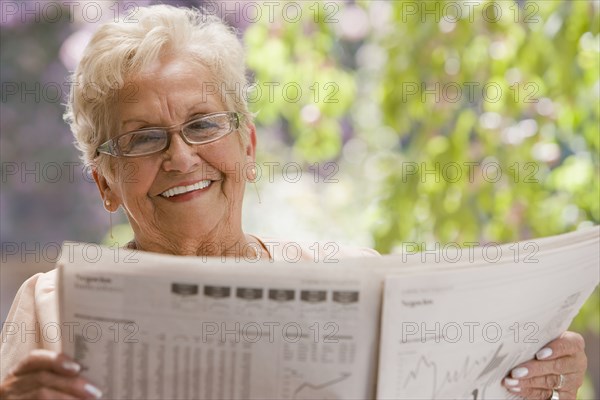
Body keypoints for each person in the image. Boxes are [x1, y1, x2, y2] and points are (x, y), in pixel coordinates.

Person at [0, 5, 588, 400]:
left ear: (248, 146)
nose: (180, 157)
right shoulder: (51, 306)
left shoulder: (354, 276)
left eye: (203, 125)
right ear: (105, 183)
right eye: (143, 138)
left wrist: (541, 382)